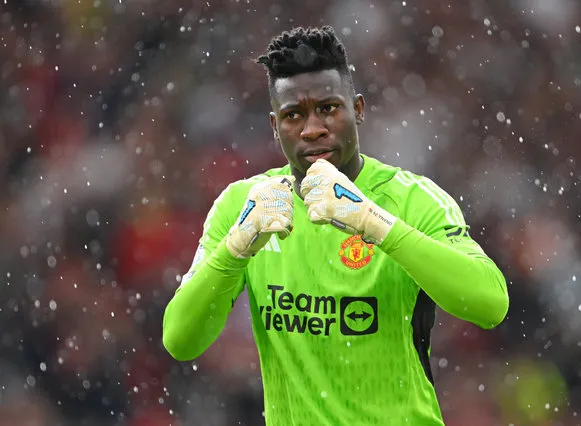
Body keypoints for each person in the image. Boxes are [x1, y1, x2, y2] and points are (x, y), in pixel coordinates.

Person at [162, 25, 509, 426]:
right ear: (275, 127)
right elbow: (180, 340)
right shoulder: (245, 206)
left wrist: (374, 223)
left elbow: (490, 303)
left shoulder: (413, 200)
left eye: (328, 108)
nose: (313, 128)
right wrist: (236, 247)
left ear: (357, 109)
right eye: (294, 115)